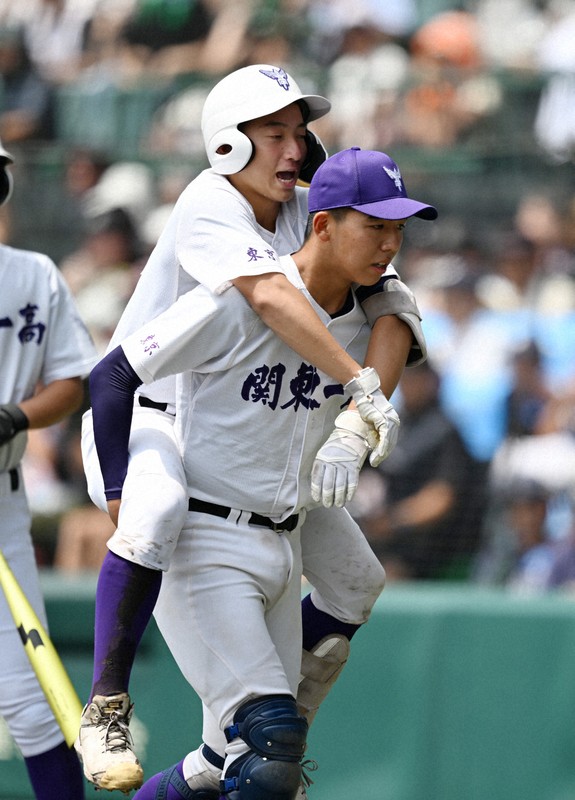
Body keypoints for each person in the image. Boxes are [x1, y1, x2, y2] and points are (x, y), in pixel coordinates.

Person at [76, 64, 428, 792]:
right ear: (229, 143)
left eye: (300, 132)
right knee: (155, 511)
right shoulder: (210, 199)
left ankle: (264, 730)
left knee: (357, 579)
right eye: (274, 133)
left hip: (246, 438)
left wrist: (354, 431)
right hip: (151, 410)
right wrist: (359, 388)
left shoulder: (309, 213)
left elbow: (391, 308)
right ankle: (106, 703)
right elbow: (268, 295)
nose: (294, 148)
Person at [0, 139, 98, 800]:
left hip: (2, 503)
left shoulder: (33, 274)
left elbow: (76, 379)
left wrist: (15, 418)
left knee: (34, 700)